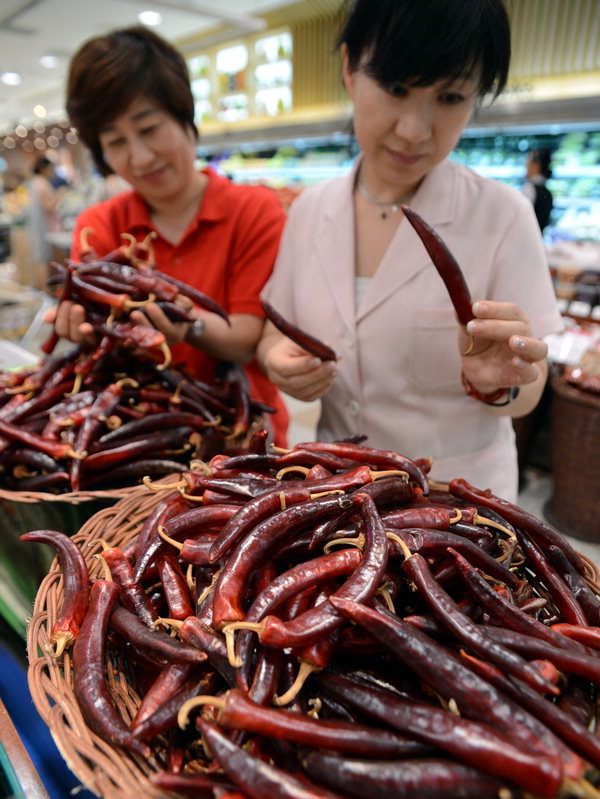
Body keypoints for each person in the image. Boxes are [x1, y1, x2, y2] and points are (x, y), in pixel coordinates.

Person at [257, 0, 564, 502]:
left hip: (459, 510)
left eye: (450, 96)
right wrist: (278, 360)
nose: (415, 130)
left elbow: (528, 385)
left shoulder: (502, 214)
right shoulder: (311, 210)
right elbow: (276, 323)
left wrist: (497, 383)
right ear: (350, 69)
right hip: (335, 500)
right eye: (397, 88)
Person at [45, 26, 289, 444]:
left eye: (150, 127)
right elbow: (104, 350)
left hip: (244, 441)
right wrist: (83, 330)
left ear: (183, 113)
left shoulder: (254, 210)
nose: (139, 157)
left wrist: (184, 322)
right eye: (116, 141)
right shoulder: (97, 225)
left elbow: (246, 341)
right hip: (135, 443)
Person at [523, 147, 554, 232]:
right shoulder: (548, 192)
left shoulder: (529, 188)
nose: (525, 164)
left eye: (528, 161)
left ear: (536, 165)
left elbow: (523, 220)